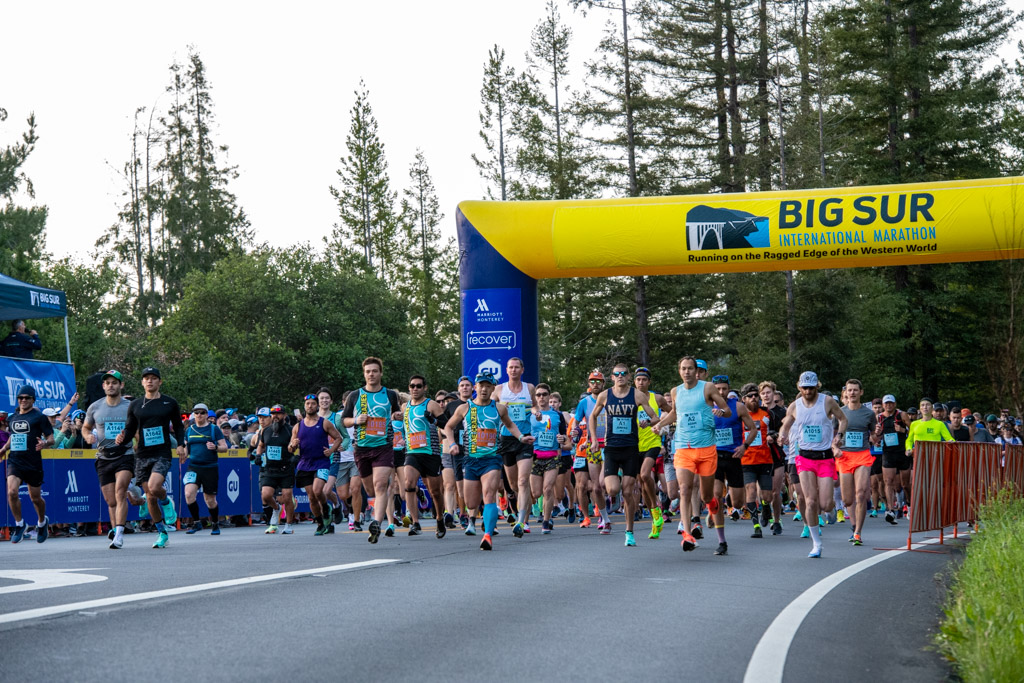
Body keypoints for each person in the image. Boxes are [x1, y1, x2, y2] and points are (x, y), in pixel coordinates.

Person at [441, 373, 534, 550]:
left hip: (491, 459)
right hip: (470, 459)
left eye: (488, 386)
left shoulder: (499, 408)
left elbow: (510, 425)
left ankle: (488, 535)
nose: (484, 389)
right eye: (481, 385)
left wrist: (521, 437)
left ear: (493, 389)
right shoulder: (465, 408)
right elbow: (448, 426)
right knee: (471, 502)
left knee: (489, 494)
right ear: (475, 387)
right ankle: (475, 520)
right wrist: (452, 443)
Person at [651, 357, 732, 553]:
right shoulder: (675, 391)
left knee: (706, 496)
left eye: (690, 369)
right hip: (683, 448)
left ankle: (715, 515)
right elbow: (675, 414)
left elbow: (727, 410)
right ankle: (687, 535)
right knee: (685, 489)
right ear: (679, 371)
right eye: (683, 369)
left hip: (706, 449)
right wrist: (660, 424)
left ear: (696, 371)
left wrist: (721, 412)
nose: (686, 372)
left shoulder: (708, 388)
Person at [588, 363, 662, 547]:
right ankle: (620, 494)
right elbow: (593, 416)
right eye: (616, 374)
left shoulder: (636, 394)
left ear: (628, 376)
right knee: (612, 489)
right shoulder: (605, 395)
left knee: (628, 491)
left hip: (630, 448)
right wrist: (594, 439)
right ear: (612, 377)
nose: (620, 376)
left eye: (623, 374)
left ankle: (629, 532)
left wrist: (647, 421)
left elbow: (655, 417)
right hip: (612, 448)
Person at [779, 371, 847, 558]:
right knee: (810, 501)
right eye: (804, 388)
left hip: (824, 457)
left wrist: (839, 436)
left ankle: (832, 510)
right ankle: (816, 544)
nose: (808, 391)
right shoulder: (795, 406)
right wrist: (782, 434)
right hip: (804, 458)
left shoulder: (827, 402)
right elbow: (786, 423)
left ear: (817, 385)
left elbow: (842, 419)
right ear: (799, 387)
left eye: (811, 387)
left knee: (825, 504)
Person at [116, 366, 185, 549]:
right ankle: (162, 533)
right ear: (142, 382)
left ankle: (166, 500)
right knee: (150, 496)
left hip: (161, 452)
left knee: (155, 488)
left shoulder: (169, 403)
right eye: (146, 378)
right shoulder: (136, 404)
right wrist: (122, 438)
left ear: (159, 382)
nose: (150, 381)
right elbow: (130, 428)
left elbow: (178, 426)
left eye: (153, 378)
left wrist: (180, 444)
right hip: (142, 454)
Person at [341, 357, 402, 544]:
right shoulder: (355, 395)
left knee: (381, 484)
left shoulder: (390, 394)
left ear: (380, 373)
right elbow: (344, 420)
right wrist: (356, 420)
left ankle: (376, 523)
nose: (371, 374)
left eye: (375, 371)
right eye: (368, 371)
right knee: (370, 489)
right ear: (364, 374)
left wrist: (397, 415)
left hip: (383, 446)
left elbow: (396, 414)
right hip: (361, 448)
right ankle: (376, 511)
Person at [82, 370, 134, 549]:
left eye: (114, 382)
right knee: (111, 501)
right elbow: (86, 427)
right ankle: (115, 530)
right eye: (108, 383)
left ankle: (119, 534)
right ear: (103, 386)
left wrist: (131, 440)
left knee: (120, 492)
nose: (111, 385)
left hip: (125, 455)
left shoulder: (130, 406)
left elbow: (138, 430)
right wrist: (88, 436)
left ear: (121, 385)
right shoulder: (95, 407)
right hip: (103, 457)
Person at [707, 376, 756, 554]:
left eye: (724, 389)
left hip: (734, 456)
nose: (721, 392)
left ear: (729, 389)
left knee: (738, 501)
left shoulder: (738, 406)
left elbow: (753, 429)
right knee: (715, 496)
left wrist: (745, 446)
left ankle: (730, 501)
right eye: (717, 389)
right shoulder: (707, 407)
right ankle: (722, 542)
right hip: (714, 457)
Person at [1, 384, 54, 543]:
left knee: (35, 498)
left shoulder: (39, 417)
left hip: (33, 462)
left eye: (27, 398)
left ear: (33, 399)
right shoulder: (13, 417)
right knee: (11, 492)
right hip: (15, 460)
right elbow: (13, 436)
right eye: (20, 398)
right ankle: (19, 524)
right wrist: (4, 448)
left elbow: (51, 438)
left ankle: (42, 522)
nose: (23, 400)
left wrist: (45, 443)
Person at [494, 357, 539, 533]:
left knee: (522, 481)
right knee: (513, 484)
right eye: (510, 367)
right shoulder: (499, 390)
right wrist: (499, 407)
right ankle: (522, 508)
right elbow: (489, 409)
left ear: (522, 369)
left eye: (516, 367)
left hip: (525, 439)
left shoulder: (529, 388)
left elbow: (534, 406)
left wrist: (536, 413)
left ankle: (523, 521)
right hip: (506, 439)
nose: (513, 370)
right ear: (506, 370)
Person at [399, 375, 447, 539]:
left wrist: (433, 420)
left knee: (435, 492)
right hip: (412, 452)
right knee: (409, 483)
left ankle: (440, 518)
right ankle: (415, 522)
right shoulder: (405, 407)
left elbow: (446, 425)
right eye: (412, 386)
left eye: (419, 386)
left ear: (425, 388)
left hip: (430, 452)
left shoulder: (431, 404)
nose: (415, 389)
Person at [289, 393, 343, 536]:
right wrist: (293, 445)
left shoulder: (324, 422)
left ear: (317, 406)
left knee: (318, 490)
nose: (310, 406)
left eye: (313, 403)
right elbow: (290, 448)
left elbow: (338, 438)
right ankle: (320, 523)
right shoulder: (298, 426)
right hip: (305, 463)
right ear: (304, 406)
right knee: (312, 497)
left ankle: (326, 509)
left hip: (321, 462)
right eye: (308, 404)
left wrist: (331, 450)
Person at [836, 379, 875, 547]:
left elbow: (875, 436)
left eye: (855, 390)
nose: (852, 393)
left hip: (863, 455)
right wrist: (834, 448)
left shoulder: (869, 413)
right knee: (848, 500)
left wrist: (877, 434)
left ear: (861, 392)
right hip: (844, 457)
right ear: (845, 393)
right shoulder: (839, 413)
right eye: (849, 390)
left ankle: (858, 532)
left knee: (860, 493)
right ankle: (853, 526)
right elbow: (832, 437)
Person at [180, 403, 228, 535]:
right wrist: (183, 454)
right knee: (189, 494)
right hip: (193, 466)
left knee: (210, 500)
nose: (199, 415)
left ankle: (215, 523)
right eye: (196, 412)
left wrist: (216, 447)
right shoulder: (189, 430)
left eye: (202, 412)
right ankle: (196, 523)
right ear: (193, 415)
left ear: (207, 415)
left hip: (210, 467)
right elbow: (186, 447)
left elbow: (224, 447)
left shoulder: (214, 429)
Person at [634, 367, 669, 539]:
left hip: (653, 443)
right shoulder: (629, 399)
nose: (641, 382)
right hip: (635, 445)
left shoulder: (658, 398)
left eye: (644, 380)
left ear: (649, 382)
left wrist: (664, 427)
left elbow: (673, 412)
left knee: (645, 473)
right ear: (634, 382)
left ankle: (656, 507)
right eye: (638, 379)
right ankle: (655, 516)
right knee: (642, 484)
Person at [528, 383, 568, 534]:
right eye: (538, 395)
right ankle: (541, 512)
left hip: (552, 456)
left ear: (549, 396)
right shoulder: (530, 414)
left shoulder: (557, 416)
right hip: (535, 456)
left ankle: (546, 520)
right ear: (535, 397)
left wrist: (562, 439)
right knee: (536, 493)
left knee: (548, 489)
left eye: (544, 394)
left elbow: (565, 436)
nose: (541, 397)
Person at [737, 382, 773, 542]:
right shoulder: (740, 416)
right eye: (750, 396)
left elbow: (777, 429)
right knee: (750, 490)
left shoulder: (766, 414)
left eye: (755, 396)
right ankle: (756, 526)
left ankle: (766, 508)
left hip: (765, 459)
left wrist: (775, 435)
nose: (754, 398)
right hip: (747, 460)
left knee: (767, 495)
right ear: (744, 399)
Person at [573, 370, 608, 529]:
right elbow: (577, 422)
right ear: (589, 384)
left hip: (609, 446)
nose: (595, 384)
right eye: (592, 382)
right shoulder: (584, 402)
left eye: (598, 381)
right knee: (596, 487)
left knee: (606, 484)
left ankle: (609, 504)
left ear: (603, 383)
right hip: (592, 446)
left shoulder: (610, 398)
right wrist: (575, 433)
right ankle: (602, 517)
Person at [255, 405, 296, 534]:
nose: (275, 416)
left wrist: (295, 455)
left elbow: (296, 446)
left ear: (284, 415)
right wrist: (257, 455)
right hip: (270, 469)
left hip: (285, 469)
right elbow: (261, 445)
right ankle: (276, 508)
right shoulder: (266, 431)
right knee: (266, 495)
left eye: (279, 414)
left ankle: (288, 525)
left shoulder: (290, 430)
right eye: (273, 414)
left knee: (287, 497)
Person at [440, 376, 473, 529]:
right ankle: (462, 514)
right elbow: (443, 425)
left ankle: (471, 513)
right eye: (462, 385)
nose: (465, 388)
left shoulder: (478, 404)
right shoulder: (452, 405)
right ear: (458, 389)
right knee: (458, 487)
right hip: (456, 449)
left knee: (472, 484)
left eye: (467, 385)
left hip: (474, 449)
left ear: (473, 388)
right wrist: (449, 440)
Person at [875, 394, 912, 524]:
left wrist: (902, 429)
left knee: (905, 484)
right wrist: (877, 437)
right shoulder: (879, 418)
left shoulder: (902, 415)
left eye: (891, 403)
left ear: (895, 404)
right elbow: (874, 437)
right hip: (888, 452)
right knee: (888, 481)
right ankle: (890, 510)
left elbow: (912, 431)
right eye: (886, 403)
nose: (888, 405)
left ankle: (908, 504)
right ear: (883, 404)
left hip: (902, 452)